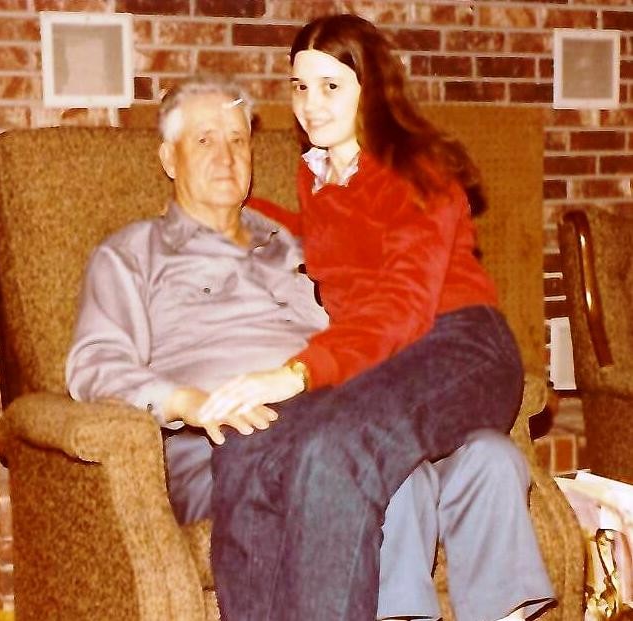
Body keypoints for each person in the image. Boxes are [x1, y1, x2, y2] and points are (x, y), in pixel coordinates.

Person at [65, 76, 552, 621]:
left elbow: (386, 313)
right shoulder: (132, 255)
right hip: (228, 441)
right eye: (204, 140)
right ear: (167, 158)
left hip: (337, 413)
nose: (226, 156)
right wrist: (188, 403)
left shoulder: (298, 240)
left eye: (238, 140)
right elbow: (94, 364)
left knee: (490, 457)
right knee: (384, 472)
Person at [196, 15, 555, 621]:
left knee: (335, 451)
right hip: (385, 358)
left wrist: (295, 373)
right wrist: (229, 205)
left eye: (330, 86)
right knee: (244, 442)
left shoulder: (420, 170)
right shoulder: (318, 175)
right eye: (299, 86)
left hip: (461, 349)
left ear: (373, 88)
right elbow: (337, 243)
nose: (311, 104)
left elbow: (400, 305)